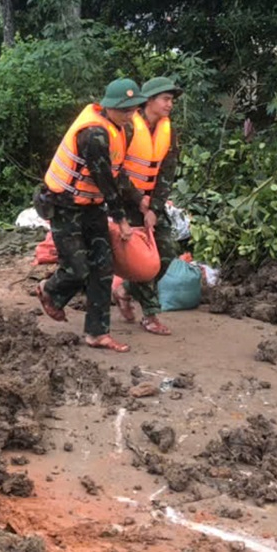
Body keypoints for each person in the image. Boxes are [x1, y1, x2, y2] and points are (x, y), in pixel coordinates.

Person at [35, 78, 149, 353]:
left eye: (132, 109)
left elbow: (116, 173)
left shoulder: (121, 130)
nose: (128, 114)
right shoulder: (94, 134)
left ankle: (97, 333)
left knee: (103, 268)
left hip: (92, 207)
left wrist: (138, 198)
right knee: (77, 268)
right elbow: (104, 180)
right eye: (123, 109)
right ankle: (50, 290)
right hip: (65, 205)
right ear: (108, 106)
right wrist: (122, 220)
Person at [113, 76, 182, 335]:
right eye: (166, 99)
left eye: (171, 100)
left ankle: (125, 290)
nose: (170, 105)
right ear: (149, 100)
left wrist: (154, 207)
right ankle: (151, 316)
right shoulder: (128, 126)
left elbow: (167, 172)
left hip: (151, 204)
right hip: (125, 202)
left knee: (166, 252)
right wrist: (137, 199)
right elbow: (115, 169)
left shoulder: (169, 130)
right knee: (141, 259)